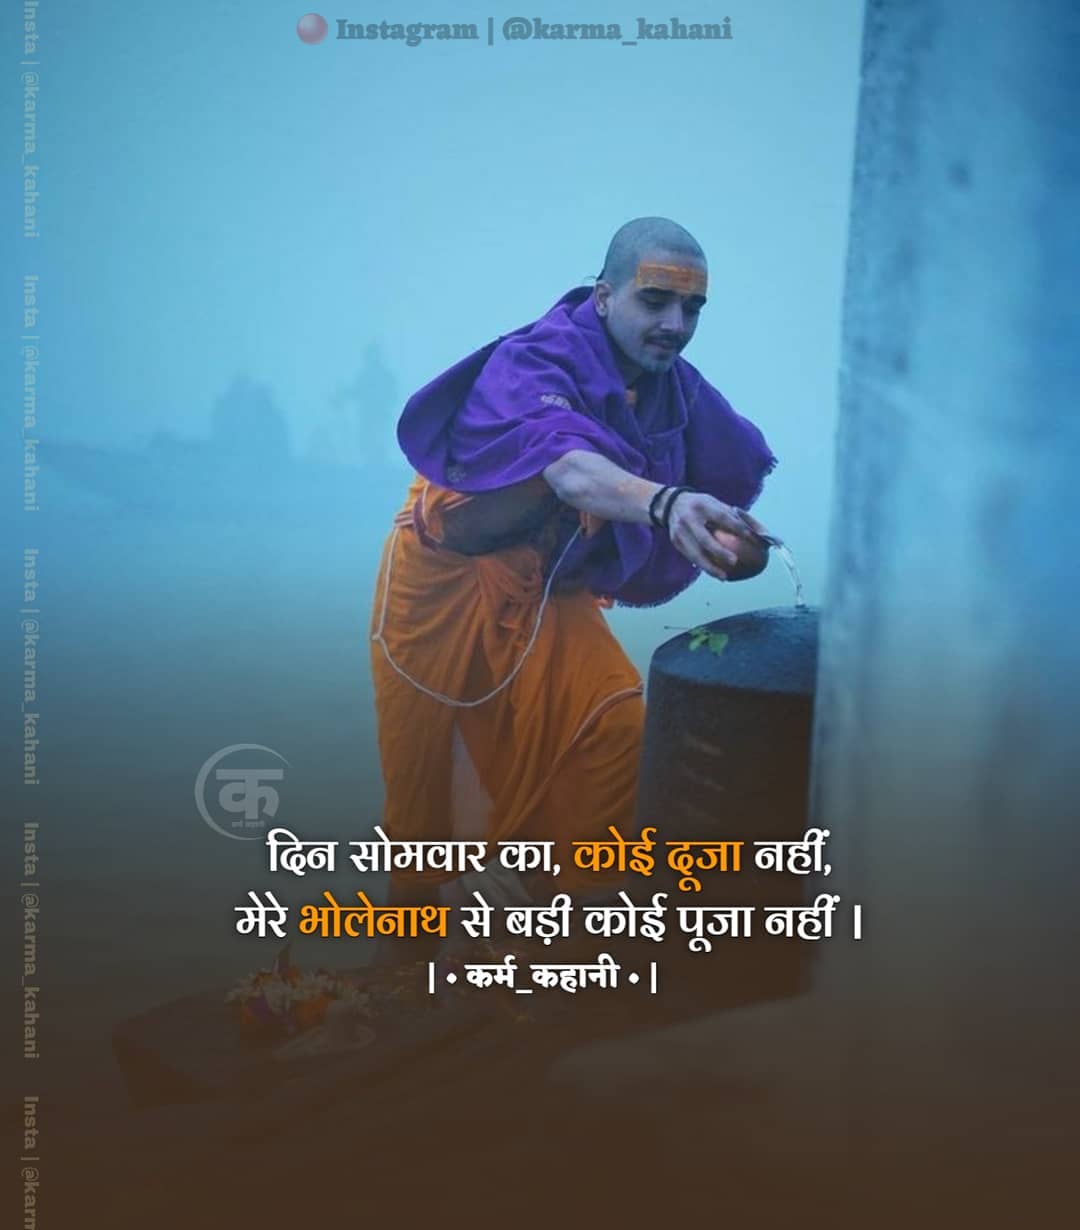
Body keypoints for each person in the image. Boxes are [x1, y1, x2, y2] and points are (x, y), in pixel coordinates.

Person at [369, 217, 777, 932]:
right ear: (604, 297)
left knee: (615, 728)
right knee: (423, 802)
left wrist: (734, 543)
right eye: (655, 301)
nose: (676, 325)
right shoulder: (536, 360)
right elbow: (567, 469)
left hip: (546, 591)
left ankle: (574, 925)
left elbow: (723, 494)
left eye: (692, 309)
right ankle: (406, 943)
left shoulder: (675, 389)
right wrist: (666, 503)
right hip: (441, 582)